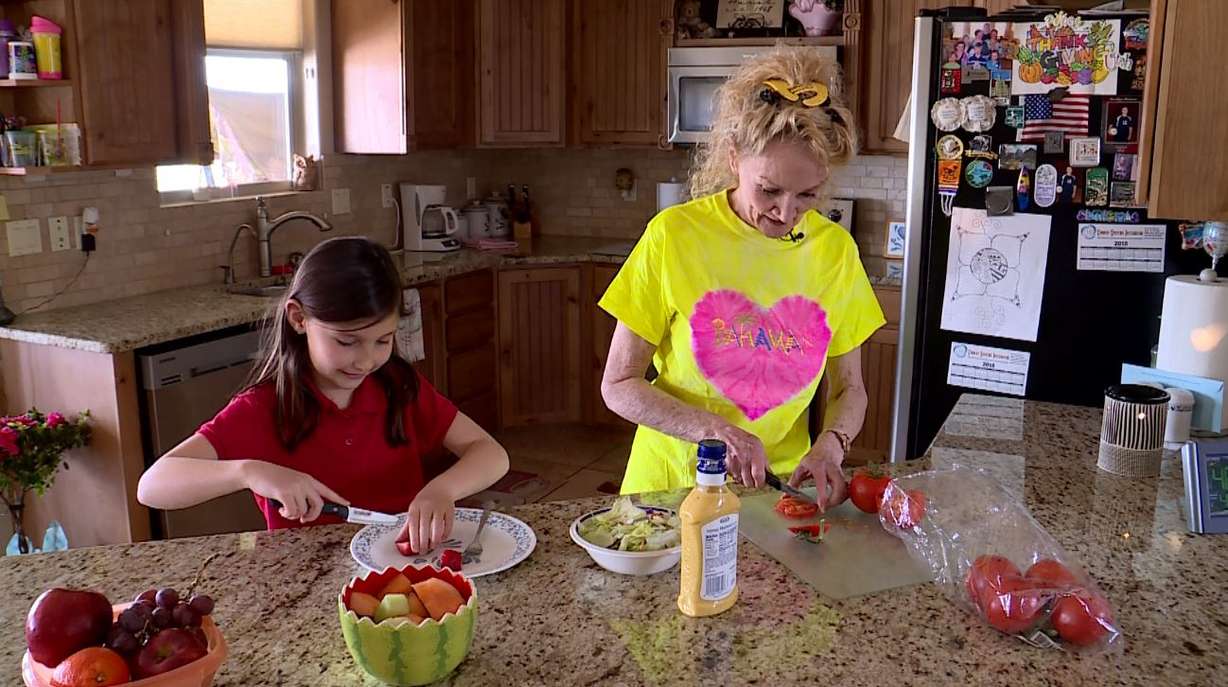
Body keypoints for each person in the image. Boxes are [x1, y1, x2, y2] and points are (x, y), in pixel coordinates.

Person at [599, 48, 884, 511]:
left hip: (776, 492)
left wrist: (832, 443)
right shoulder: (674, 236)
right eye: (769, 190)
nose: (786, 212)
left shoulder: (835, 252)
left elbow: (850, 388)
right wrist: (715, 431)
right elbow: (618, 385)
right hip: (671, 490)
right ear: (734, 159)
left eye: (808, 194)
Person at [138, 237, 509, 553]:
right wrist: (249, 472)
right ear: (299, 319)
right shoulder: (264, 408)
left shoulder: (399, 387)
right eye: (346, 341)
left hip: (402, 569)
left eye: (383, 340)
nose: (366, 361)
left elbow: (490, 453)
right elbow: (153, 486)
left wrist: (441, 490)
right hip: (306, 580)